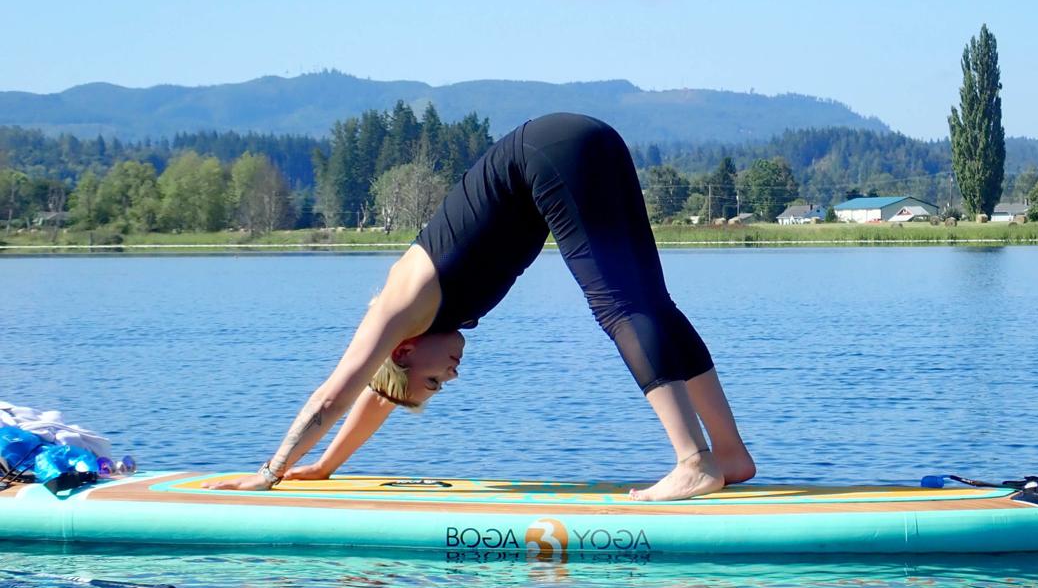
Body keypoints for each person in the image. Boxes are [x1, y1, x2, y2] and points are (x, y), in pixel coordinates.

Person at [208, 113, 755, 501]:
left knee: (618, 307)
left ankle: (694, 460)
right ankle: (729, 454)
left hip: (553, 154)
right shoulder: (416, 331)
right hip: (585, 141)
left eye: (433, 382)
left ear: (403, 351)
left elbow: (336, 393)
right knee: (650, 303)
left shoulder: (400, 306)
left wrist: (271, 472)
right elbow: (380, 395)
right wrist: (326, 467)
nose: (449, 376)